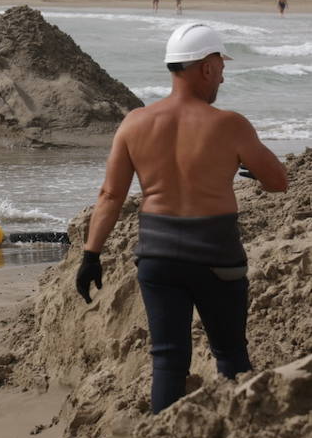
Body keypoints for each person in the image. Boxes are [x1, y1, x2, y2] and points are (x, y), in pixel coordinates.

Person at [75, 23, 287, 413]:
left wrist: (91, 255)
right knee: (232, 357)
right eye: (220, 65)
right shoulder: (230, 124)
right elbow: (279, 182)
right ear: (206, 68)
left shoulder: (134, 123)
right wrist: (254, 168)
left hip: (158, 259)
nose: (223, 74)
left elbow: (110, 194)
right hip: (217, 259)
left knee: (168, 361)